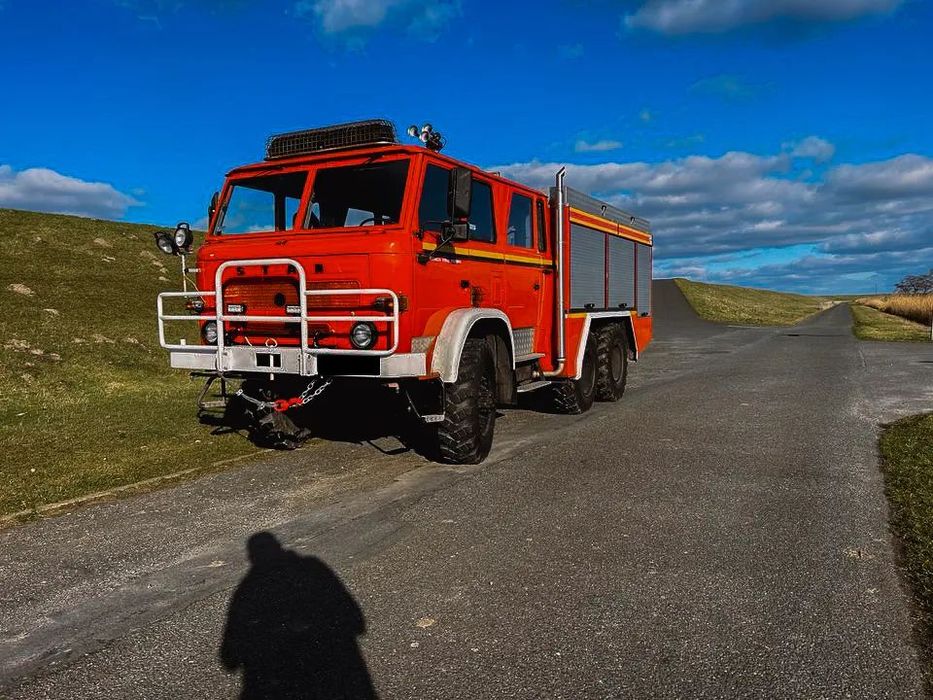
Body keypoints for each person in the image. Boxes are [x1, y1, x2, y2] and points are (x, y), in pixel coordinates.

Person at [219, 532, 377, 699]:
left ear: (251, 557)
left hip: (280, 682)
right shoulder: (313, 569)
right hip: (332, 674)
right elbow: (355, 620)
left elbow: (229, 657)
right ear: (279, 548)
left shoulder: (248, 589)